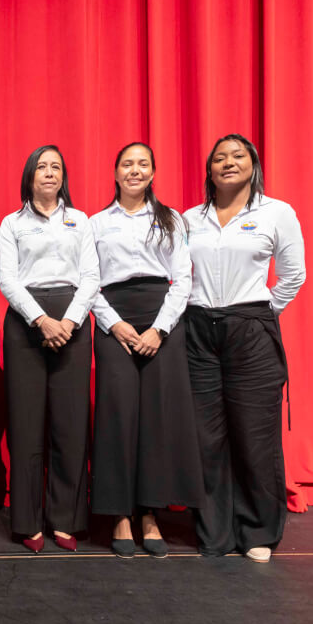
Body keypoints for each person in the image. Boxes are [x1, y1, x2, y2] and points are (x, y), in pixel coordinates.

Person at [183, 133, 306, 563]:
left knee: (255, 435)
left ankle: (257, 530)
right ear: (210, 170)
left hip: (250, 328)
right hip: (198, 330)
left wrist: (259, 314)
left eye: (238, 156)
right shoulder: (191, 218)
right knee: (206, 437)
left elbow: (293, 274)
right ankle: (215, 529)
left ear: (253, 165)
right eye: (220, 158)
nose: (228, 163)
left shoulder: (277, 213)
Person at [90, 142, 205, 558]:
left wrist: (159, 329)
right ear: (115, 172)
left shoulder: (170, 219)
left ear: (153, 172)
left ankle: (150, 513)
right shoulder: (96, 223)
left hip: (162, 319)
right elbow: (88, 281)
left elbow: (183, 279)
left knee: (157, 416)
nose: (134, 170)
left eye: (143, 164)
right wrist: (114, 323)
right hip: (114, 317)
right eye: (127, 164)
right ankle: (119, 514)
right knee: (118, 414)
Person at [0, 145, 99, 553]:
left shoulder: (80, 220)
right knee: (26, 425)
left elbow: (91, 277)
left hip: (73, 319)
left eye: (56, 166)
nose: (50, 172)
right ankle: (27, 520)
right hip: (26, 322)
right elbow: (6, 278)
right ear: (30, 175)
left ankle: (65, 519)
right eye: (42, 166)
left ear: (63, 176)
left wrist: (69, 322)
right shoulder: (11, 223)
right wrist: (41, 320)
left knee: (69, 425)